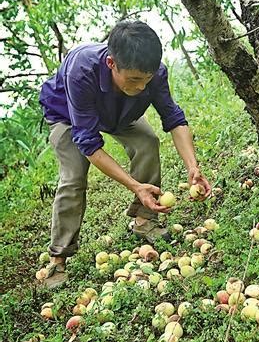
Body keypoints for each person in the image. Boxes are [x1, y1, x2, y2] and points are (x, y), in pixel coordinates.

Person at [37, 20, 211, 286]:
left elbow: (174, 119)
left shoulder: (153, 74)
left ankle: (144, 220)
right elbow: (89, 143)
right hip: (69, 116)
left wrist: (192, 167)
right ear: (111, 64)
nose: (142, 87)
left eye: (147, 80)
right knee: (73, 177)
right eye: (134, 80)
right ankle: (58, 258)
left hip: (119, 111)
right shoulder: (81, 70)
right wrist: (134, 185)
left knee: (147, 142)